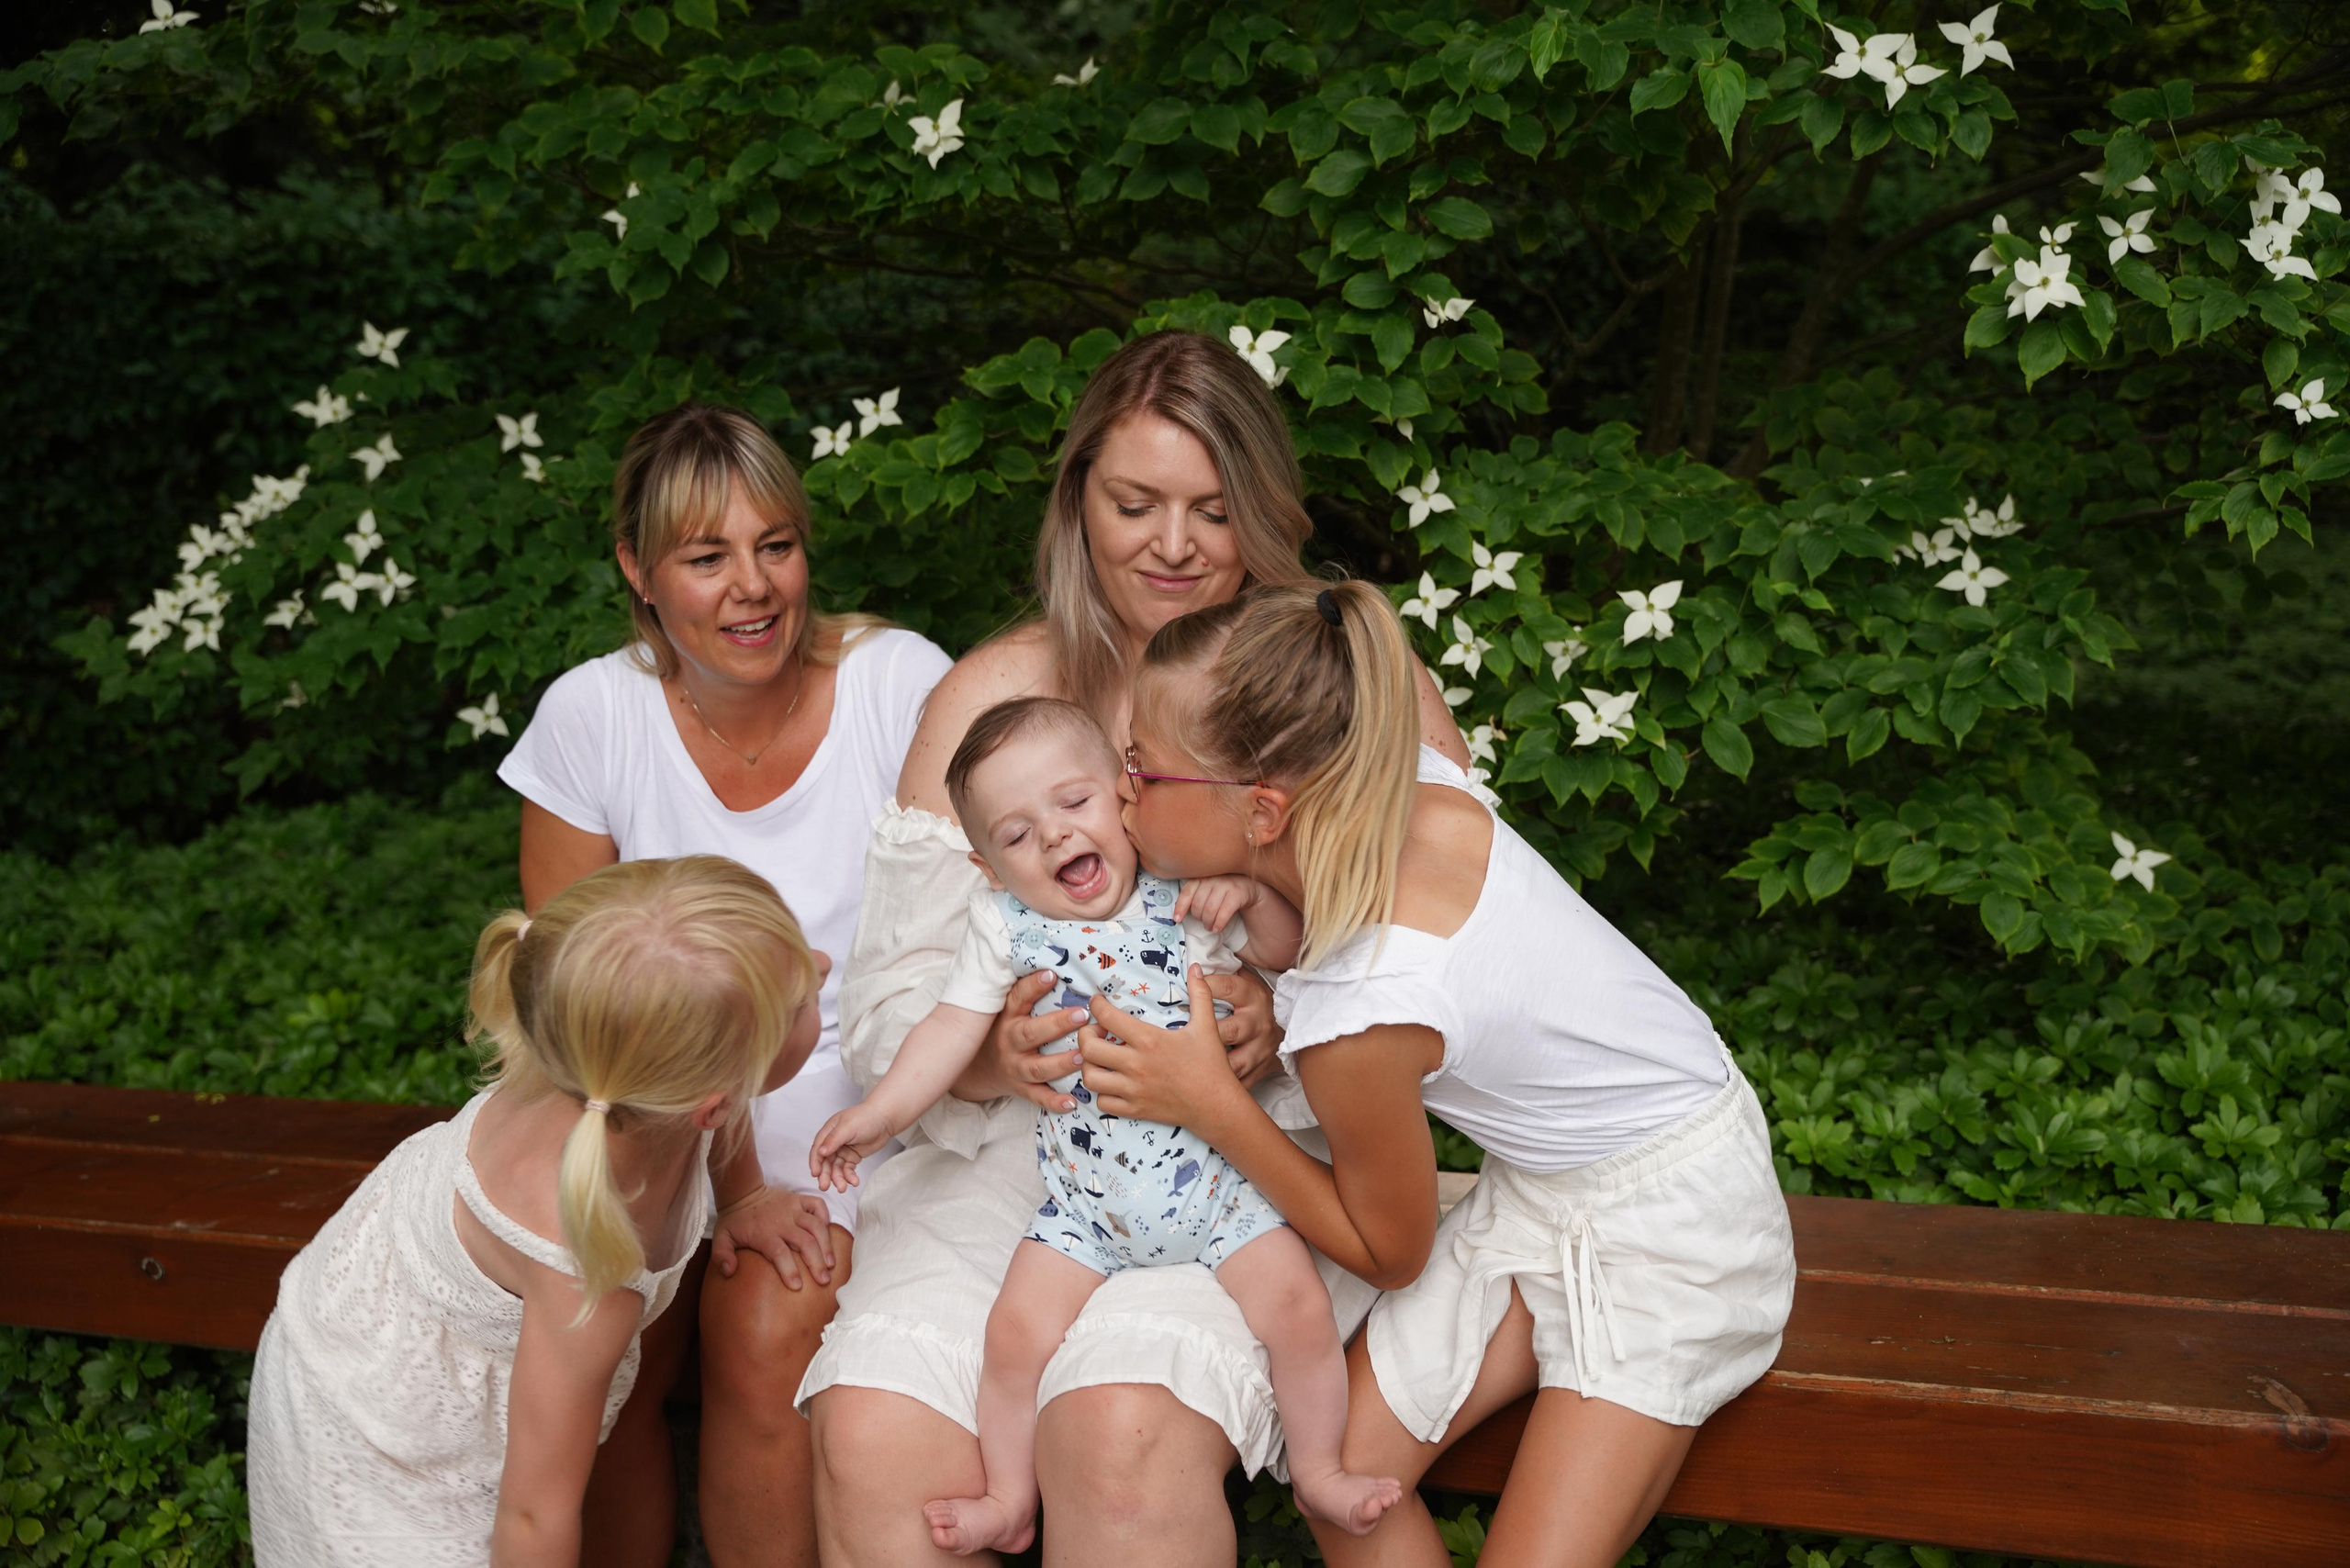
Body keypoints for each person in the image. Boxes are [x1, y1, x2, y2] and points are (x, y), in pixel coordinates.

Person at [802, 329, 1472, 1567]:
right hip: (1022, 1162)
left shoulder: (1352, 682)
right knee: (875, 1429)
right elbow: (892, 1007)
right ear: (1077, 505)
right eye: (1135, 504)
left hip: (1251, 1157)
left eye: (1213, 510)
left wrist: (1285, 1018)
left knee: (1117, 1434)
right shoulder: (991, 701)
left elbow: (1456, 953)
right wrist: (998, 1056)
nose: (1174, 544)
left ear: (1264, 515)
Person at [1085, 579, 1799, 1568]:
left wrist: (1210, 1103)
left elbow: (1389, 1252)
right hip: (1548, 1189)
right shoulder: (1397, 775)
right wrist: (1249, 894)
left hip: (1677, 1231)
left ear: (1263, 808)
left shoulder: (1366, 1009)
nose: (1119, 787)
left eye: (1141, 767)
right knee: (1342, 1474)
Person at [495, 402, 953, 1567]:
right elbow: (581, 1010)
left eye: (775, 545)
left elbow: (994, 921)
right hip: (655, 1094)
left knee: (763, 1315)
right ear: (638, 571)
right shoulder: (593, 715)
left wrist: (758, 1191)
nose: (753, 587)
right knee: (606, 1336)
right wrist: (723, 1175)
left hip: (873, 1087)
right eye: (707, 557)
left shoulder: (899, 683)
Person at [810, 696, 1401, 1553]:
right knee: (1012, 1337)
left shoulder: (1178, 888)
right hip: (1084, 1207)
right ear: (986, 867)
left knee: (1297, 1311)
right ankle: (1010, 1499)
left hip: (1216, 1189)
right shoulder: (1004, 927)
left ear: (1125, 797)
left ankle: (1318, 1471)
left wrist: (1251, 895)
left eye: (1074, 803)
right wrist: (879, 1113)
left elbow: (1287, 955)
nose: (1054, 835)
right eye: (1017, 835)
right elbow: (946, 1030)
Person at [245, 857, 826, 1568]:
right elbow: (533, 1513)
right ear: (712, 1099)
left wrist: (744, 1197)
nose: (825, 967)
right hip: (372, 1432)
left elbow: (720, 1115)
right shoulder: (586, 1270)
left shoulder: (622, 1071)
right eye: (802, 1001)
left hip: (401, 1344)